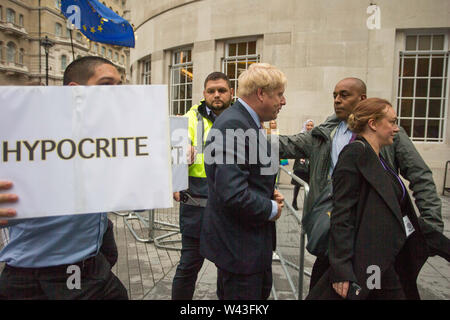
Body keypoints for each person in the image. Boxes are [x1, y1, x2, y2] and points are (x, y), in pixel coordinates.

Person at [278, 77, 445, 290]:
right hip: (335, 237)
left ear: (362, 98)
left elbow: (420, 175)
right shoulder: (324, 134)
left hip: (374, 241)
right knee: (326, 287)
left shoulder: (388, 134)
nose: (337, 100)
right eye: (335, 95)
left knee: (377, 287)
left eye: (344, 95)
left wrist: (431, 225)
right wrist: (237, 137)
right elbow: (285, 144)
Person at [0, 56, 128, 300]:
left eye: (119, 86)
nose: (117, 94)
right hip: (36, 280)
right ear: (75, 92)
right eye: (106, 85)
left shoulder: (108, 136)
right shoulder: (28, 136)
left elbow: (136, 199)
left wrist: (168, 166)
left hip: (93, 265)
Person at [307, 98, 450, 300]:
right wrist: (342, 269)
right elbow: (342, 214)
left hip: (385, 256)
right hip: (369, 260)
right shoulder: (355, 153)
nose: (396, 128)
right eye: (391, 122)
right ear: (373, 124)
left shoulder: (377, 157)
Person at [200, 63, 286, 300]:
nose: (284, 101)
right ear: (261, 93)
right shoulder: (233, 124)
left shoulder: (245, 122)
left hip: (247, 248)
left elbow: (246, 175)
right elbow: (233, 194)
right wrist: (271, 208)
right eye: (279, 94)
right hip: (241, 252)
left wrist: (268, 192)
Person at [171, 72, 234, 300]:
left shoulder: (241, 119)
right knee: (188, 268)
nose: (216, 95)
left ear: (231, 93)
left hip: (230, 209)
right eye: (211, 91)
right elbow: (173, 152)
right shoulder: (189, 119)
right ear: (204, 94)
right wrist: (179, 154)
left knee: (229, 271)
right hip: (196, 207)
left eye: (221, 90)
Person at [291, 119, 314, 210]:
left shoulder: (314, 137)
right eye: (308, 125)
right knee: (297, 184)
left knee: (308, 185)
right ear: (305, 126)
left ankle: (307, 204)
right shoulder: (301, 135)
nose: (310, 127)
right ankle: (294, 201)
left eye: (311, 125)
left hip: (309, 165)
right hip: (300, 164)